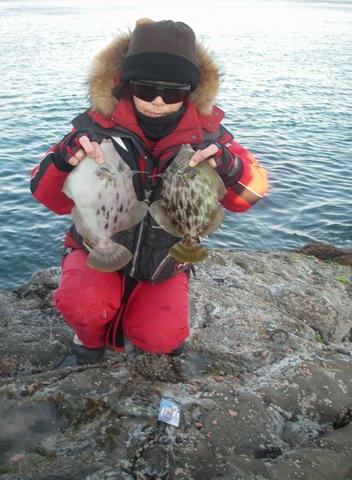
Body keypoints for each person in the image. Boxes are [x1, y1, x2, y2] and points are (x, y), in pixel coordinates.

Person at [30, 18, 268, 364]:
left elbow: (251, 192)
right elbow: (48, 196)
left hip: (164, 260)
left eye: (172, 93)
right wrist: (64, 157)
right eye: (146, 90)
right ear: (128, 86)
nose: (158, 101)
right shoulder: (94, 128)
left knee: (162, 338)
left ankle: (138, 316)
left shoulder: (210, 136)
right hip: (99, 244)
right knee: (85, 305)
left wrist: (231, 168)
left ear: (190, 92)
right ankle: (89, 337)